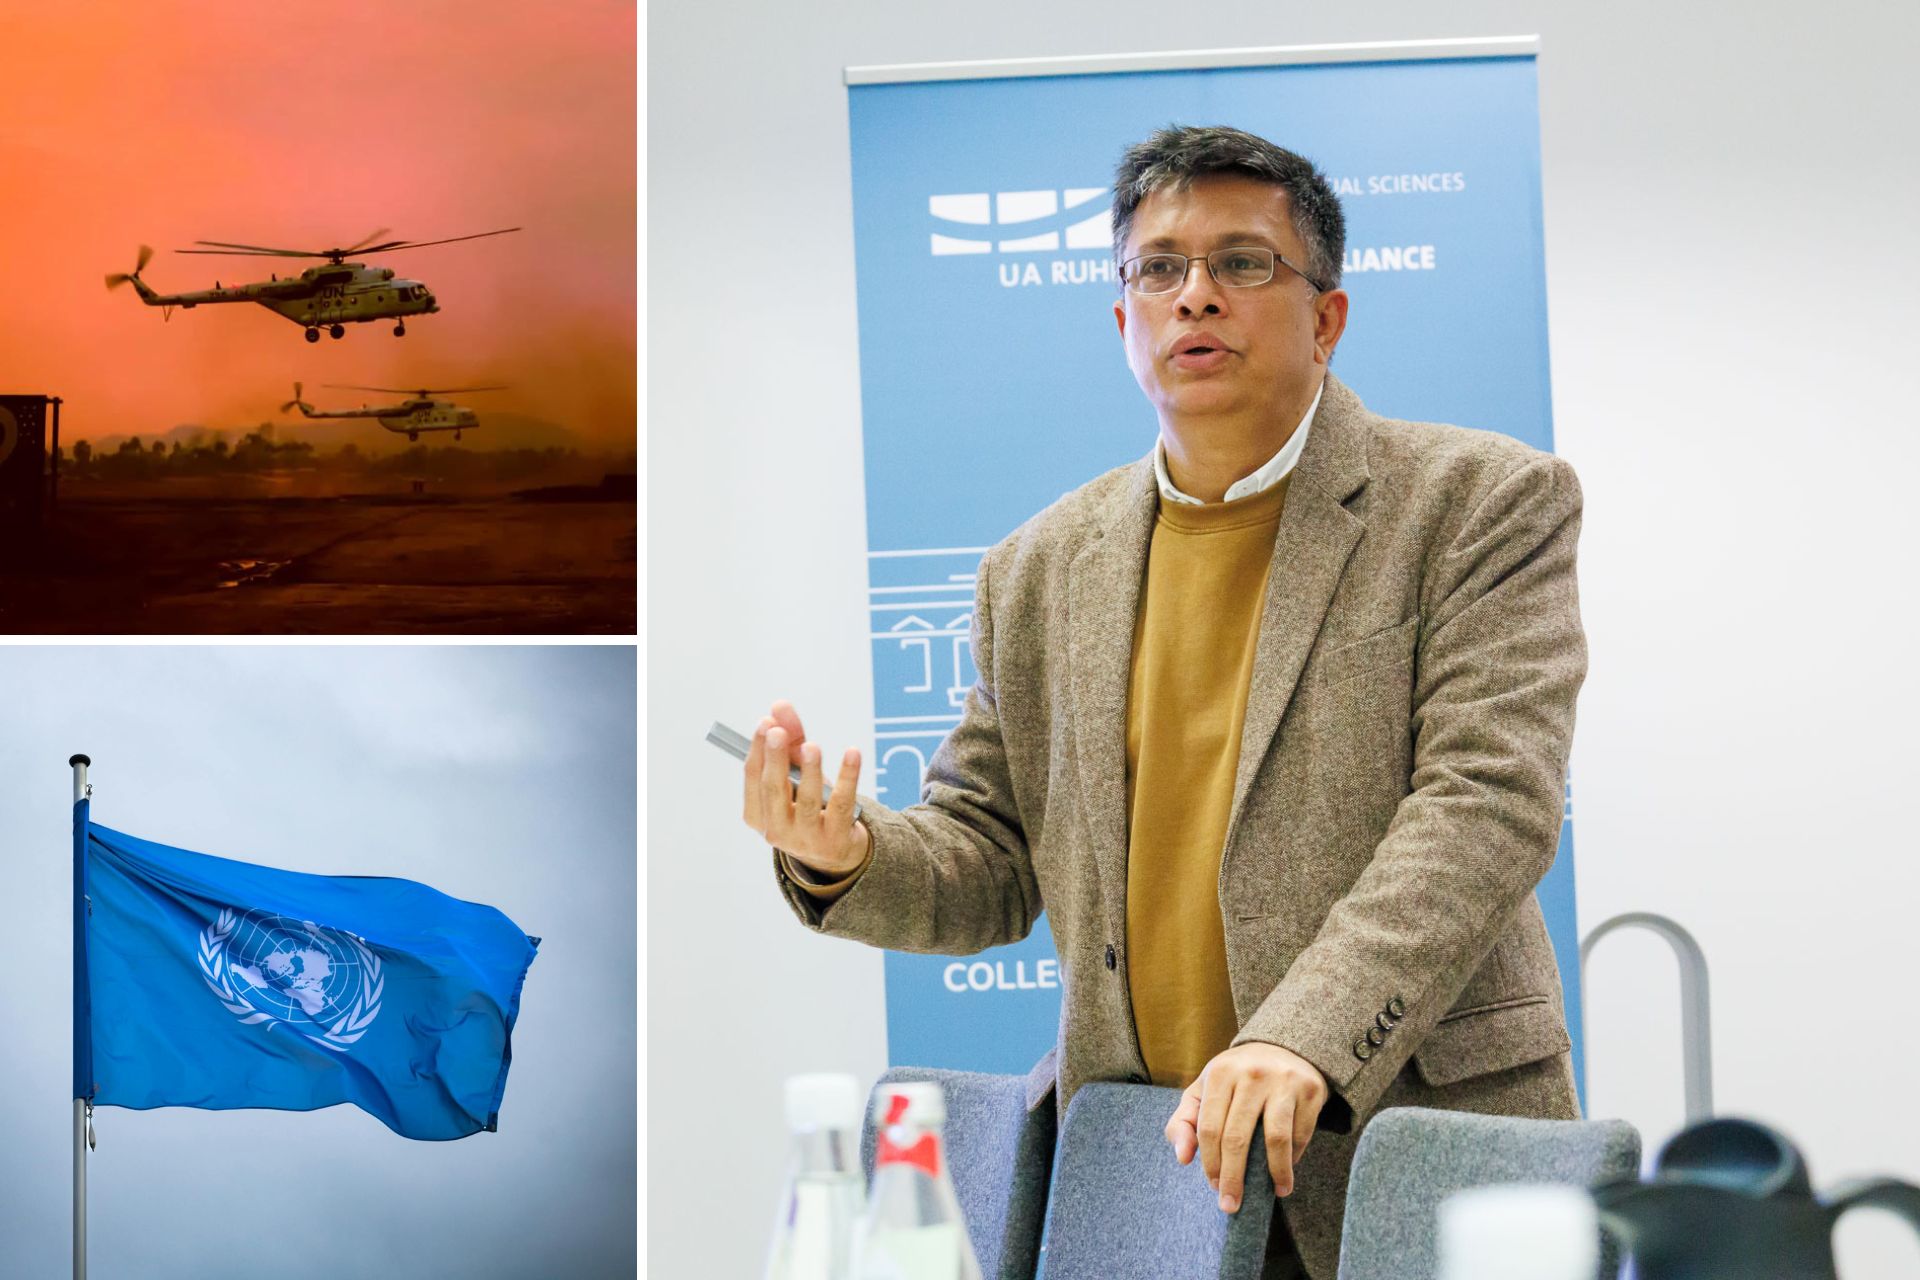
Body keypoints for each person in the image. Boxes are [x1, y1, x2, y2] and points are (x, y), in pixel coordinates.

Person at [741, 124, 1585, 1280]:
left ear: (1327, 316)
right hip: (1149, 1175)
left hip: (1403, 1141)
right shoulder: (1036, 567)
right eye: (1159, 267)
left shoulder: (1478, 502)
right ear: (1121, 318)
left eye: (1244, 263)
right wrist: (843, 855)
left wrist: (1306, 1034)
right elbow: (990, 856)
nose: (1196, 296)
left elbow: (1488, 802)